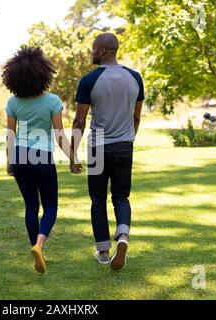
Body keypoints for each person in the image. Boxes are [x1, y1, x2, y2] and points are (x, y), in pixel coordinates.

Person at [70, 33, 145, 270]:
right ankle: (122, 236)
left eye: (93, 48)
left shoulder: (89, 80)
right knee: (121, 197)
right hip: (125, 144)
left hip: (99, 145)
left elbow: (79, 121)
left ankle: (103, 251)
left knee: (98, 198)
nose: (91, 52)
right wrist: (128, 138)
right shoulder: (135, 78)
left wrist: (73, 153)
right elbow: (136, 116)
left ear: (102, 51)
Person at [2, 46, 79, 274]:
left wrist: (9, 161)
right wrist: (73, 158)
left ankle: (37, 251)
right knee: (51, 206)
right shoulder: (52, 101)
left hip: (19, 156)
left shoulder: (13, 102)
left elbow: (10, 135)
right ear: (43, 74)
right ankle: (40, 244)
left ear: (15, 76)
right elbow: (59, 135)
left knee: (30, 207)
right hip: (42, 157)